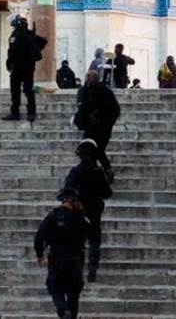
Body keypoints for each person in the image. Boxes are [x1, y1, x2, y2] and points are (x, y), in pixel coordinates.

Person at [34, 188, 91, 319]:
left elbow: (39, 237)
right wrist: (81, 212)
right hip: (75, 259)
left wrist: (39, 254)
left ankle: (64, 310)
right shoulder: (80, 218)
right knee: (73, 294)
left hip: (57, 259)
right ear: (73, 201)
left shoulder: (53, 216)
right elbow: (90, 231)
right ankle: (70, 314)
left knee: (55, 288)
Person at [63, 139, 113, 283]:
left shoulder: (76, 171)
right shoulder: (98, 172)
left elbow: (67, 189)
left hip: (78, 210)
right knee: (94, 240)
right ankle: (93, 265)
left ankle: (78, 267)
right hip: (94, 210)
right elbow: (107, 193)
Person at [73, 70, 120, 179]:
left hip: (94, 126)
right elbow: (115, 110)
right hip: (103, 127)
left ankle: (98, 172)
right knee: (97, 150)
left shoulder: (85, 91)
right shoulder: (106, 91)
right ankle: (103, 170)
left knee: (92, 150)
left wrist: (81, 121)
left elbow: (82, 108)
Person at [2, 15, 46, 123]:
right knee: (29, 90)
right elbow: (43, 42)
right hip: (29, 67)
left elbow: (12, 52)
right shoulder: (30, 34)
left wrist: (9, 63)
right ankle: (31, 113)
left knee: (15, 90)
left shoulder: (15, 35)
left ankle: (15, 113)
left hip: (17, 67)